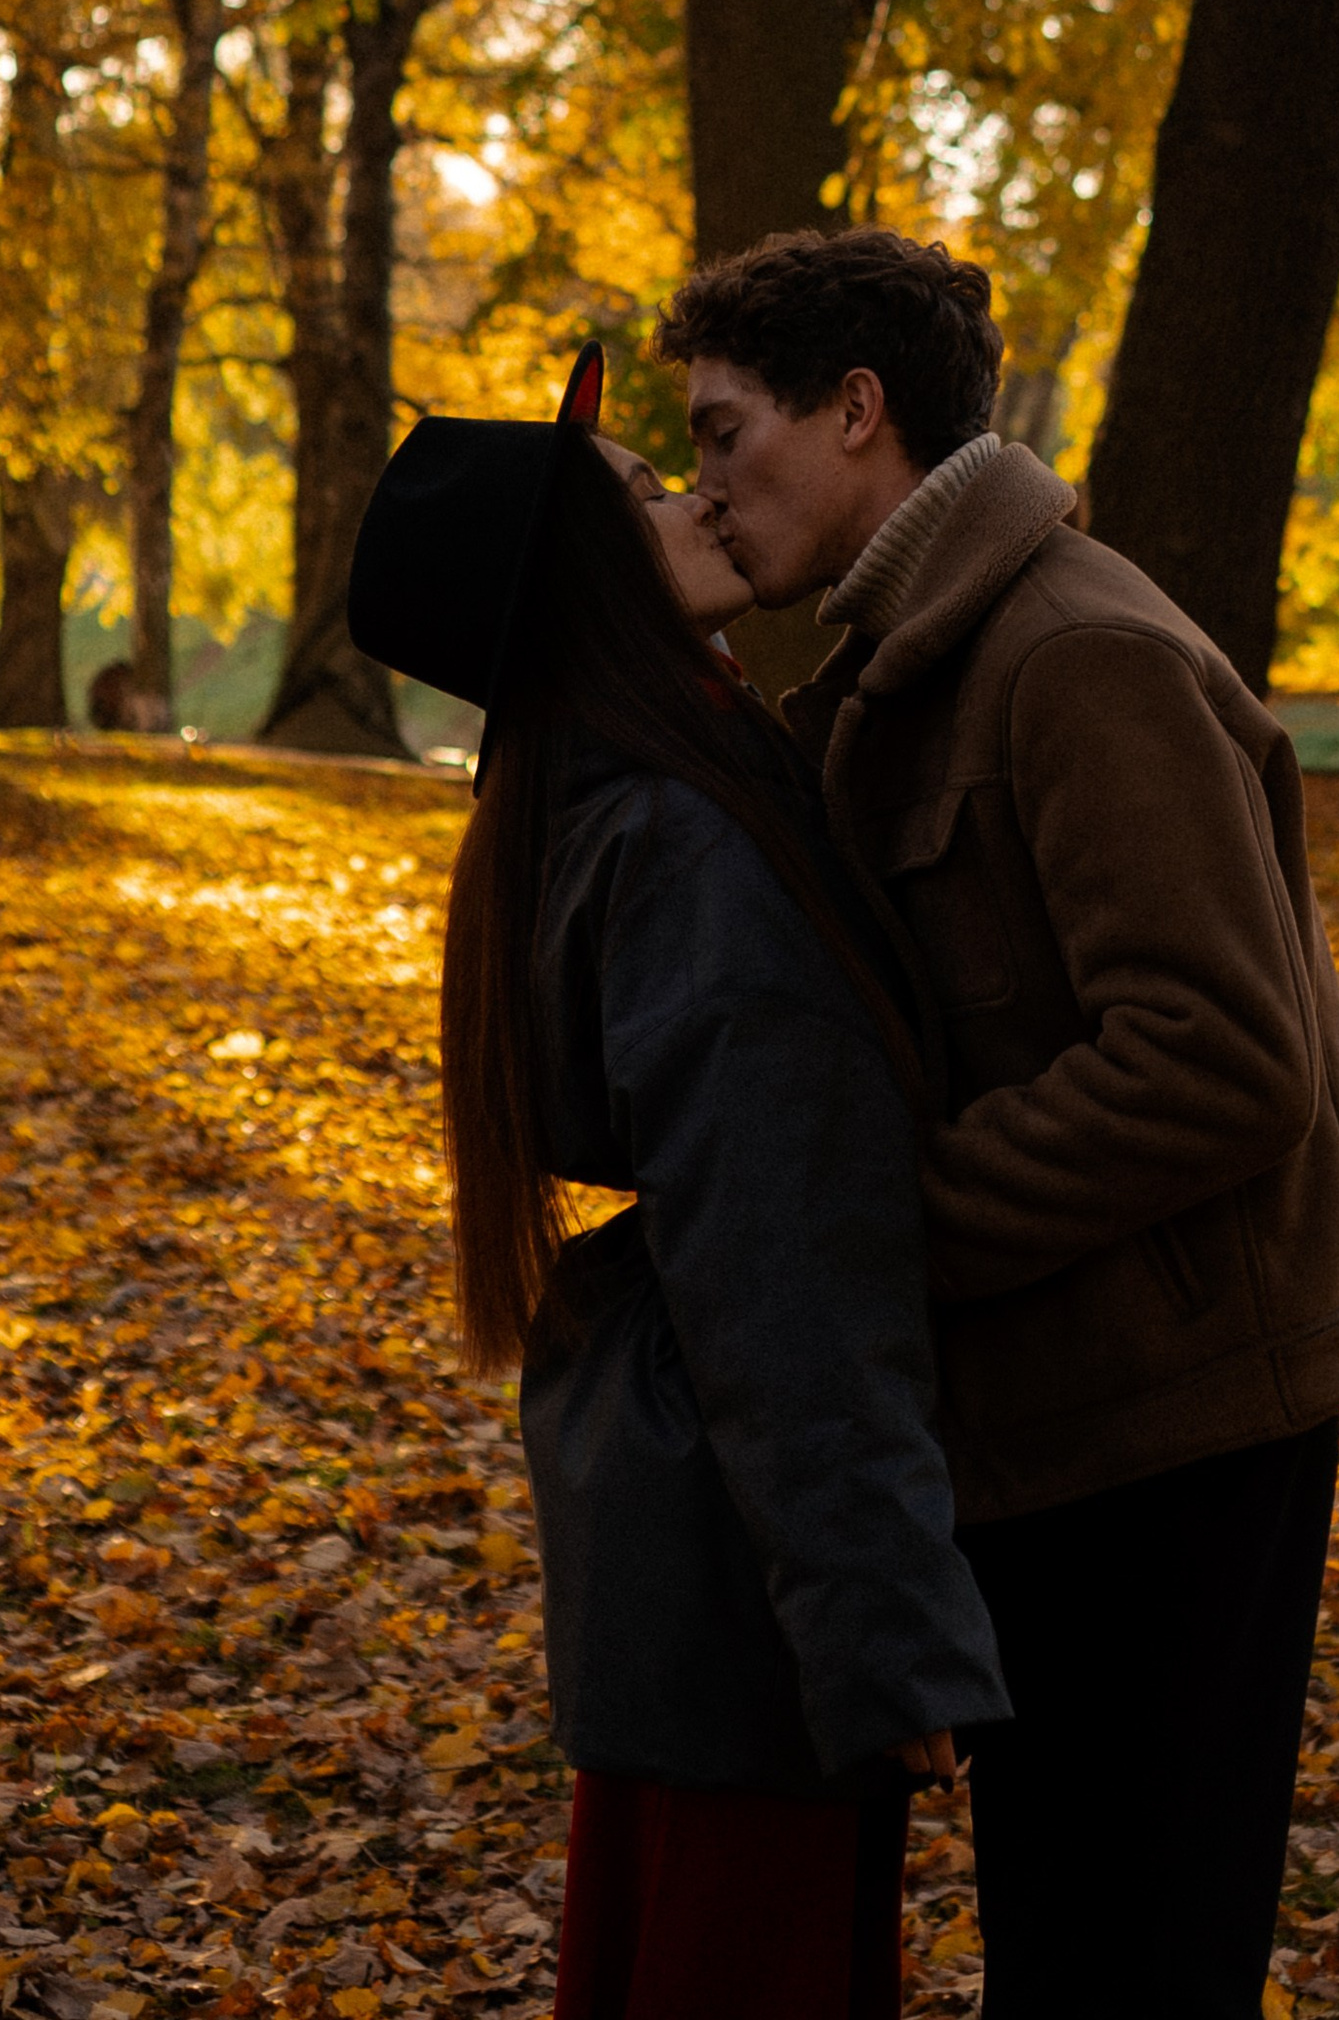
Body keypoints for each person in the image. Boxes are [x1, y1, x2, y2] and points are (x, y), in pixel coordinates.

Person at [656, 231, 1339, 2020]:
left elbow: (1224, 1056)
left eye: (718, 436)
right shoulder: (903, 666)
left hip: (1181, 1436)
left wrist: (882, 1229)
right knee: (1070, 1955)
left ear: (857, 412)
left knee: (1131, 1966)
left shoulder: (1075, 658)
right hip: (1064, 1412)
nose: (703, 488)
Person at [347, 343, 1006, 2020]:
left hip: (695, 1557)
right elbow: (783, 1268)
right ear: (583, 575)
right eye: (648, 492)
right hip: (743, 1586)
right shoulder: (685, 836)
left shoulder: (630, 784)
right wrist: (887, 1636)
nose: (699, 491)